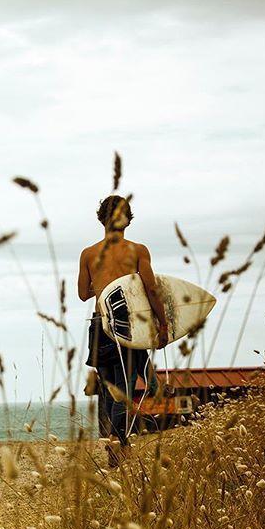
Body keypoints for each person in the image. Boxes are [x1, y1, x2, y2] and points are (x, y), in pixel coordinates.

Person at [78, 195, 168, 467]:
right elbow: (151, 289)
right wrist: (163, 324)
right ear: (128, 219)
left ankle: (118, 446)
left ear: (101, 219)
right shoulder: (138, 251)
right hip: (127, 324)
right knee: (123, 391)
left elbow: (83, 294)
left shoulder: (88, 254)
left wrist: (103, 285)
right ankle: (117, 443)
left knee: (110, 391)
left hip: (100, 324)